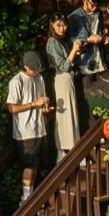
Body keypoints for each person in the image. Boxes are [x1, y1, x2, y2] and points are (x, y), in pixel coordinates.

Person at [6, 51, 51, 198]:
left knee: (37, 163)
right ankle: (25, 197)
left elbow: (41, 100)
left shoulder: (39, 78)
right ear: (25, 66)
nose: (36, 71)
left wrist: (45, 108)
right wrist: (33, 104)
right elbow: (11, 108)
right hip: (25, 131)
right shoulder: (16, 81)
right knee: (29, 164)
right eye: (33, 69)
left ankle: (32, 194)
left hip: (39, 127)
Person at [43, 15, 83, 155]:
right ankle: (68, 150)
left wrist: (75, 52)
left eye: (64, 25)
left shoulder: (60, 40)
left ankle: (73, 149)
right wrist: (73, 51)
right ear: (52, 25)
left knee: (71, 114)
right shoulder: (52, 42)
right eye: (58, 25)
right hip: (62, 78)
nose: (62, 28)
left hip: (67, 78)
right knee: (66, 115)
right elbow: (63, 66)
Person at [66, 0, 109, 77]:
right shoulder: (73, 17)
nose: (95, 7)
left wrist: (105, 38)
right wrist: (88, 39)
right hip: (84, 64)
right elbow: (69, 41)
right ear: (84, 1)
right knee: (88, 88)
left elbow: (100, 31)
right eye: (92, 4)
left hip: (100, 59)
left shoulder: (98, 13)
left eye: (97, 5)